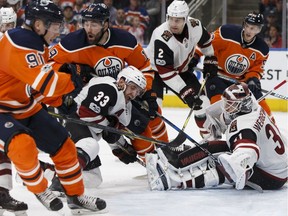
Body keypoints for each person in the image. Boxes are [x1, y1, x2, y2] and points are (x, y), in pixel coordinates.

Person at [0, 0, 106, 214]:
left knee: (65, 147)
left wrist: (61, 101)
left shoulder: (37, 44)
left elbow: (37, 89)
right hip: (3, 111)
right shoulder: (20, 42)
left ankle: (76, 197)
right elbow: (47, 83)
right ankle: (40, 189)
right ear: (39, 25)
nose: (59, 30)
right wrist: (73, 82)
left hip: (26, 107)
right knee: (22, 146)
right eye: (56, 25)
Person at [49, 3, 169, 163]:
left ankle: (163, 153)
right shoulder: (73, 43)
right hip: (89, 100)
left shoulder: (125, 40)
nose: (88, 29)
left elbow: (144, 66)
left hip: (121, 93)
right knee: (105, 133)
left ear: (105, 24)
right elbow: (49, 64)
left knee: (148, 118)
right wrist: (67, 76)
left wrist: (147, 92)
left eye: (94, 24)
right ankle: (121, 146)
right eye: (85, 23)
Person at [145, 82, 287, 191]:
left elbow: (249, 149)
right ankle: (176, 159)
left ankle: (173, 181)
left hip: (271, 178)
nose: (226, 108)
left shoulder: (244, 128)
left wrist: (237, 161)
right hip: (279, 165)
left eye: (230, 105)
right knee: (216, 147)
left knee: (223, 165)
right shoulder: (255, 107)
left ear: (242, 105)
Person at [144, 0, 218, 137]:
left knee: (203, 103)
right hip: (154, 72)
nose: (173, 24)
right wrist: (185, 91)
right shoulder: (161, 35)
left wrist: (209, 58)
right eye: (171, 19)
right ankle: (151, 144)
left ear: (185, 19)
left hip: (180, 71)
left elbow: (206, 41)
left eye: (178, 20)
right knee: (154, 109)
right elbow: (165, 72)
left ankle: (208, 138)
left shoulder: (195, 26)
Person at [194, 11, 275, 122]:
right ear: (244, 25)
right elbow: (206, 44)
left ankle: (272, 125)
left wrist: (253, 79)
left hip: (240, 83)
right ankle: (213, 130)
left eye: (253, 28)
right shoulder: (227, 33)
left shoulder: (262, 48)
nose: (249, 31)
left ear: (259, 30)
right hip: (217, 75)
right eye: (247, 26)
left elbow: (256, 69)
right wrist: (194, 57)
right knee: (217, 107)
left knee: (259, 99)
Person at [0, 6, 29, 216]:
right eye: (4, 25)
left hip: (6, 104)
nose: (7, 29)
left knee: (4, 149)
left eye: (10, 25)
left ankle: (2, 194)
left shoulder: (17, 43)